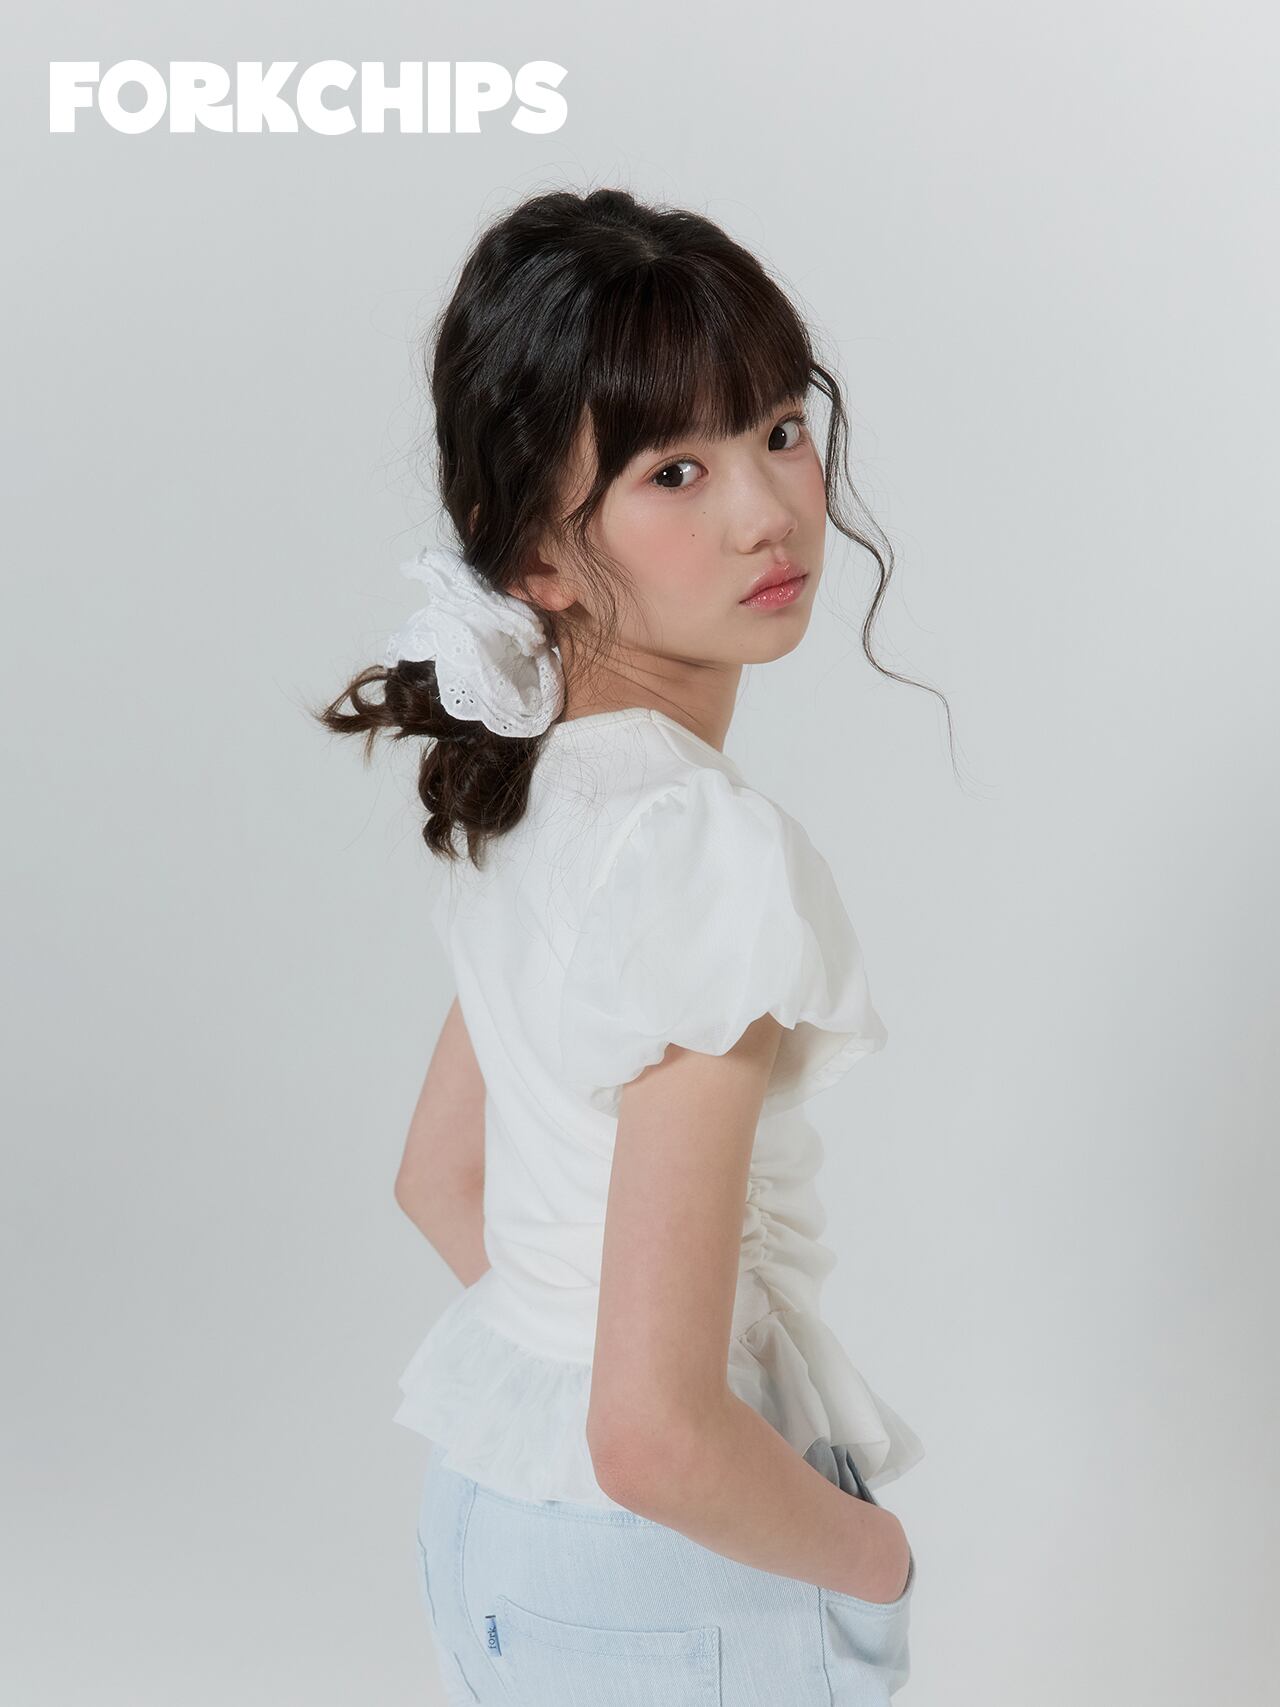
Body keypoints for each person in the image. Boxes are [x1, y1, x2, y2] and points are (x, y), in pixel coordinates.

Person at [314, 186, 950, 1706]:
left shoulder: (528, 786)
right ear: (537, 558)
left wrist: (568, 1333)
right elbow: (655, 1436)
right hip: (670, 1578)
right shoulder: (698, 844)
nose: (767, 511)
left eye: (779, 430)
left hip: (493, 1521)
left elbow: (439, 1178)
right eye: (675, 471)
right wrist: (878, 1561)